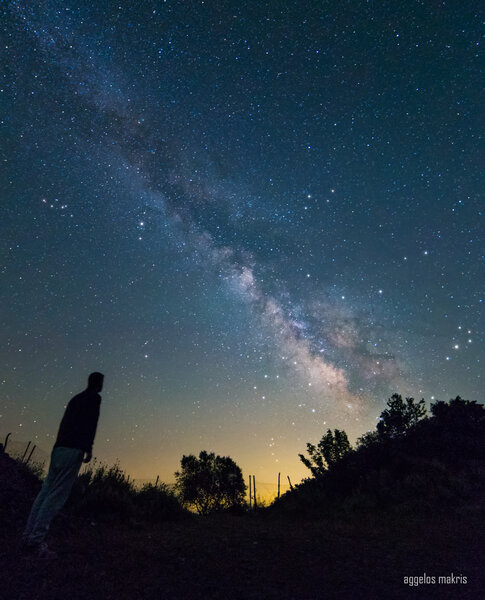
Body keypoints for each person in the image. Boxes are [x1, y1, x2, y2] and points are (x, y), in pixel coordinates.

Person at [21, 372, 104, 558]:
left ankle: (28, 536)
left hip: (59, 448)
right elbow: (91, 423)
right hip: (73, 450)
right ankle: (35, 541)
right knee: (56, 496)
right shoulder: (95, 399)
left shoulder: (75, 399)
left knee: (45, 492)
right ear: (98, 384)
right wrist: (87, 447)